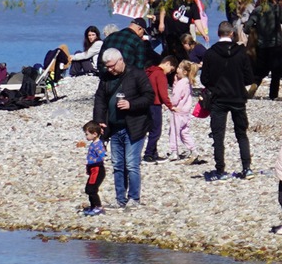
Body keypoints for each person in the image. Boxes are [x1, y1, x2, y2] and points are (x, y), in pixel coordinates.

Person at [92, 49, 155, 207]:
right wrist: (99, 120)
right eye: (107, 67)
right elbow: (99, 99)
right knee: (117, 165)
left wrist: (131, 104)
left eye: (112, 66)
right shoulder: (106, 77)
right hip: (114, 128)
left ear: (120, 61)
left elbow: (149, 96)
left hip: (134, 126)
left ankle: (134, 198)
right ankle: (120, 198)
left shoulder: (137, 74)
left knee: (131, 164)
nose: (110, 69)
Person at [199, 21, 256, 180]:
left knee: (218, 135)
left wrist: (215, 84)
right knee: (241, 134)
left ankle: (220, 170)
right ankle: (247, 168)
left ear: (218, 34)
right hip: (238, 97)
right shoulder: (241, 52)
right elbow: (249, 78)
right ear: (232, 33)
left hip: (218, 98)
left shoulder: (210, 53)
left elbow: (204, 79)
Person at [167, 59, 199, 161]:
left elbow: (176, 96)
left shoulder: (181, 83)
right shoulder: (188, 82)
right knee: (184, 132)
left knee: (174, 132)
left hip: (178, 111)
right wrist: (176, 82)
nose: (177, 70)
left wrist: (171, 105)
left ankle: (174, 151)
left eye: (179, 68)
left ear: (185, 72)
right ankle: (193, 150)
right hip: (185, 111)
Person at [81, 122, 107, 217]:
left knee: (91, 189)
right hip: (93, 170)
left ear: (95, 134)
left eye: (87, 134)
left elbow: (102, 157)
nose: (86, 136)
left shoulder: (98, 145)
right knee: (88, 189)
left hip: (97, 170)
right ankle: (93, 206)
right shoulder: (93, 144)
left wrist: (90, 162)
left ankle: (98, 207)